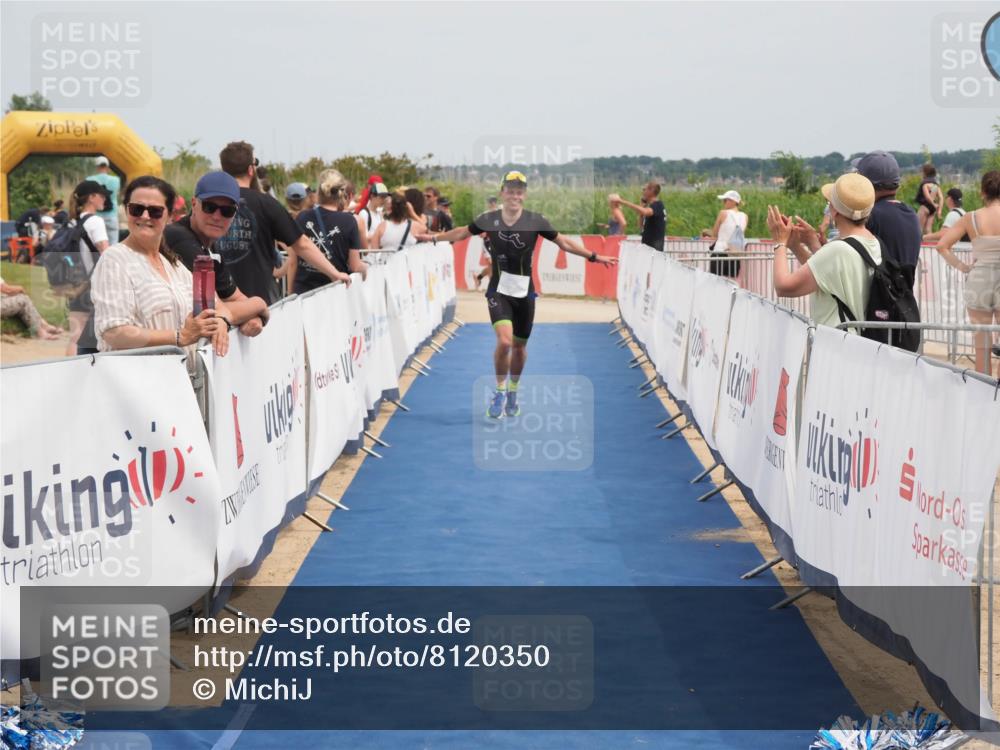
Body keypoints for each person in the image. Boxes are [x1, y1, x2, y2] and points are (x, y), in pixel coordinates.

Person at [422, 171, 617, 419]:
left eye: (518, 191)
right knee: (504, 342)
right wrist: (433, 238)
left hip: (525, 294)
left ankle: (513, 390)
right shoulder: (488, 219)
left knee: (519, 348)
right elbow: (461, 232)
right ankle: (500, 391)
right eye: (510, 190)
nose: (514, 195)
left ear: (523, 195)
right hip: (499, 291)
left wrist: (594, 256)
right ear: (503, 192)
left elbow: (564, 243)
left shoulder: (536, 221)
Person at [90, 176, 229, 358]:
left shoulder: (174, 265)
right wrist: (179, 337)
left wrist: (221, 322)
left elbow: (218, 306)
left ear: (170, 216)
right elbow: (114, 331)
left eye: (155, 211)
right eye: (137, 209)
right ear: (126, 210)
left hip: (179, 381)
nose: (144, 216)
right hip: (135, 382)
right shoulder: (114, 260)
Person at [216, 141, 351, 303]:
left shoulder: (210, 204)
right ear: (251, 170)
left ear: (224, 171)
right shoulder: (266, 203)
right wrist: (334, 273)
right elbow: (302, 244)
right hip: (259, 300)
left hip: (220, 301)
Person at [766, 173, 881, 330]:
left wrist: (780, 242)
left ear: (834, 212)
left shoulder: (837, 250)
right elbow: (825, 274)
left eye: (829, 203)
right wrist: (796, 245)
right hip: (857, 344)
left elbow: (783, 287)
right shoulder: (872, 242)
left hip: (835, 345)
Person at [164, 171, 270, 337]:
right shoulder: (179, 238)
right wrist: (260, 304)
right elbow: (211, 310)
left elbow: (235, 299)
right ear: (194, 204)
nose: (216, 216)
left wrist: (255, 317)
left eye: (226, 211)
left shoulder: (210, 246)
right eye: (209, 207)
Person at [935, 171, 1000, 375]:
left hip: (979, 279)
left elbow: (942, 246)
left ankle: (983, 396)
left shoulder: (970, 218)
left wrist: (965, 268)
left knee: (981, 344)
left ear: (982, 192)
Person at [854, 150, 922, 287]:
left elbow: (850, 261)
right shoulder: (911, 214)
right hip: (903, 303)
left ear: (867, 183)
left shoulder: (871, 216)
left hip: (873, 302)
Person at [294, 169, 368, 293]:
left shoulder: (302, 217)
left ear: (319, 191)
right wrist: (367, 268)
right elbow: (355, 265)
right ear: (341, 193)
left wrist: (291, 294)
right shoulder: (349, 221)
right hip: (335, 291)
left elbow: (293, 261)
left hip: (304, 292)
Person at [65, 180, 112, 357]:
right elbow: (106, 253)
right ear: (91, 198)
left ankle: (67, 376)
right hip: (91, 284)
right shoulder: (95, 221)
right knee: (89, 338)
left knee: (75, 336)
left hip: (75, 281)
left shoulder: (72, 221)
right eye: (101, 195)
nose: (104, 199)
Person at [701, 189, 747, 277]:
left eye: (725, 200)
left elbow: (715, 234)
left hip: (720, 252)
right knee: (731, 283)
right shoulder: (745, 216)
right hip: (734, 254)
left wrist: (706, 232)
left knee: (715, 281)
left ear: (732, 201)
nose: (723, 202)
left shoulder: (723, 213)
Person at [612, 182, 666, 251]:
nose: (643, 192)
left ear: (651, 191)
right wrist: (641, 210)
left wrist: (622, 202)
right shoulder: (651, 208)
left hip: (654, 250)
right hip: (647, 247)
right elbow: (640, 227)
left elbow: (645, 211)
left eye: (644, 189)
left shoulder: (657, 205)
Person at [87, 156, 121, 241]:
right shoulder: (116, 180)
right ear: (107, 167)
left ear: (97, 167)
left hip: (96, 215)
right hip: (112, 216)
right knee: (113, 245)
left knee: (96, 244)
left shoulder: (89, 180)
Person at [915, 163, 943, 234]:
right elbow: (941, 198)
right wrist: (939, 210)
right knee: (928, 229)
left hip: (925, 207)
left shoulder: (925, 184)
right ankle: (931, 244)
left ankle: (919, 244)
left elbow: (927, 197)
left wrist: (933, 204)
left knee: (918, 228)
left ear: (925, 173)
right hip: (933, 209)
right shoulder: (935, 185)